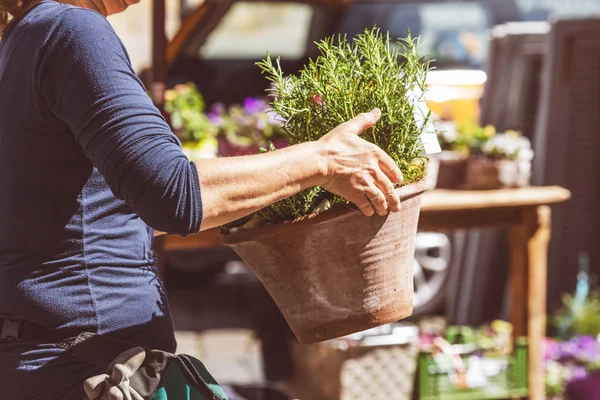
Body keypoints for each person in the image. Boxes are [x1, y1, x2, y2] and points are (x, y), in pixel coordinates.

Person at [0, 0, 404, 398]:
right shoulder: (72, 31)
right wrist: (323, 159)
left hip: (38, 362)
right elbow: (171, 192)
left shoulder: (19, 41)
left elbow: (77, 209)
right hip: (86, 373)